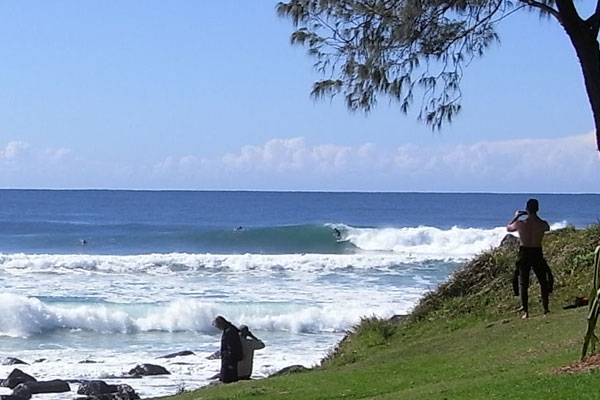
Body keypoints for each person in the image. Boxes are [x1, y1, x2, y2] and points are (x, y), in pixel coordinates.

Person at [507, 199, 553, 319]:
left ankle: (526, 312)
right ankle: (546, 308)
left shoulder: (520, 223)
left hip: (524, 252)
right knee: (543, 281)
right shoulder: (543, 224)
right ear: (537, 209)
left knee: (524, 282)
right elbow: (547, 228)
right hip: (537, 251)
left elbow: (508, 228)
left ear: (527, 209)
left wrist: (516, 216)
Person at [212, 316, 243, 383]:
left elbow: (232, 348)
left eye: (217, 326)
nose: (218, 328)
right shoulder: (230, 329)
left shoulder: (229, 332)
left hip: (230, 359)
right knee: (229, 378)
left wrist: (230, 362)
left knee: (228, 379)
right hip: (230, 358)